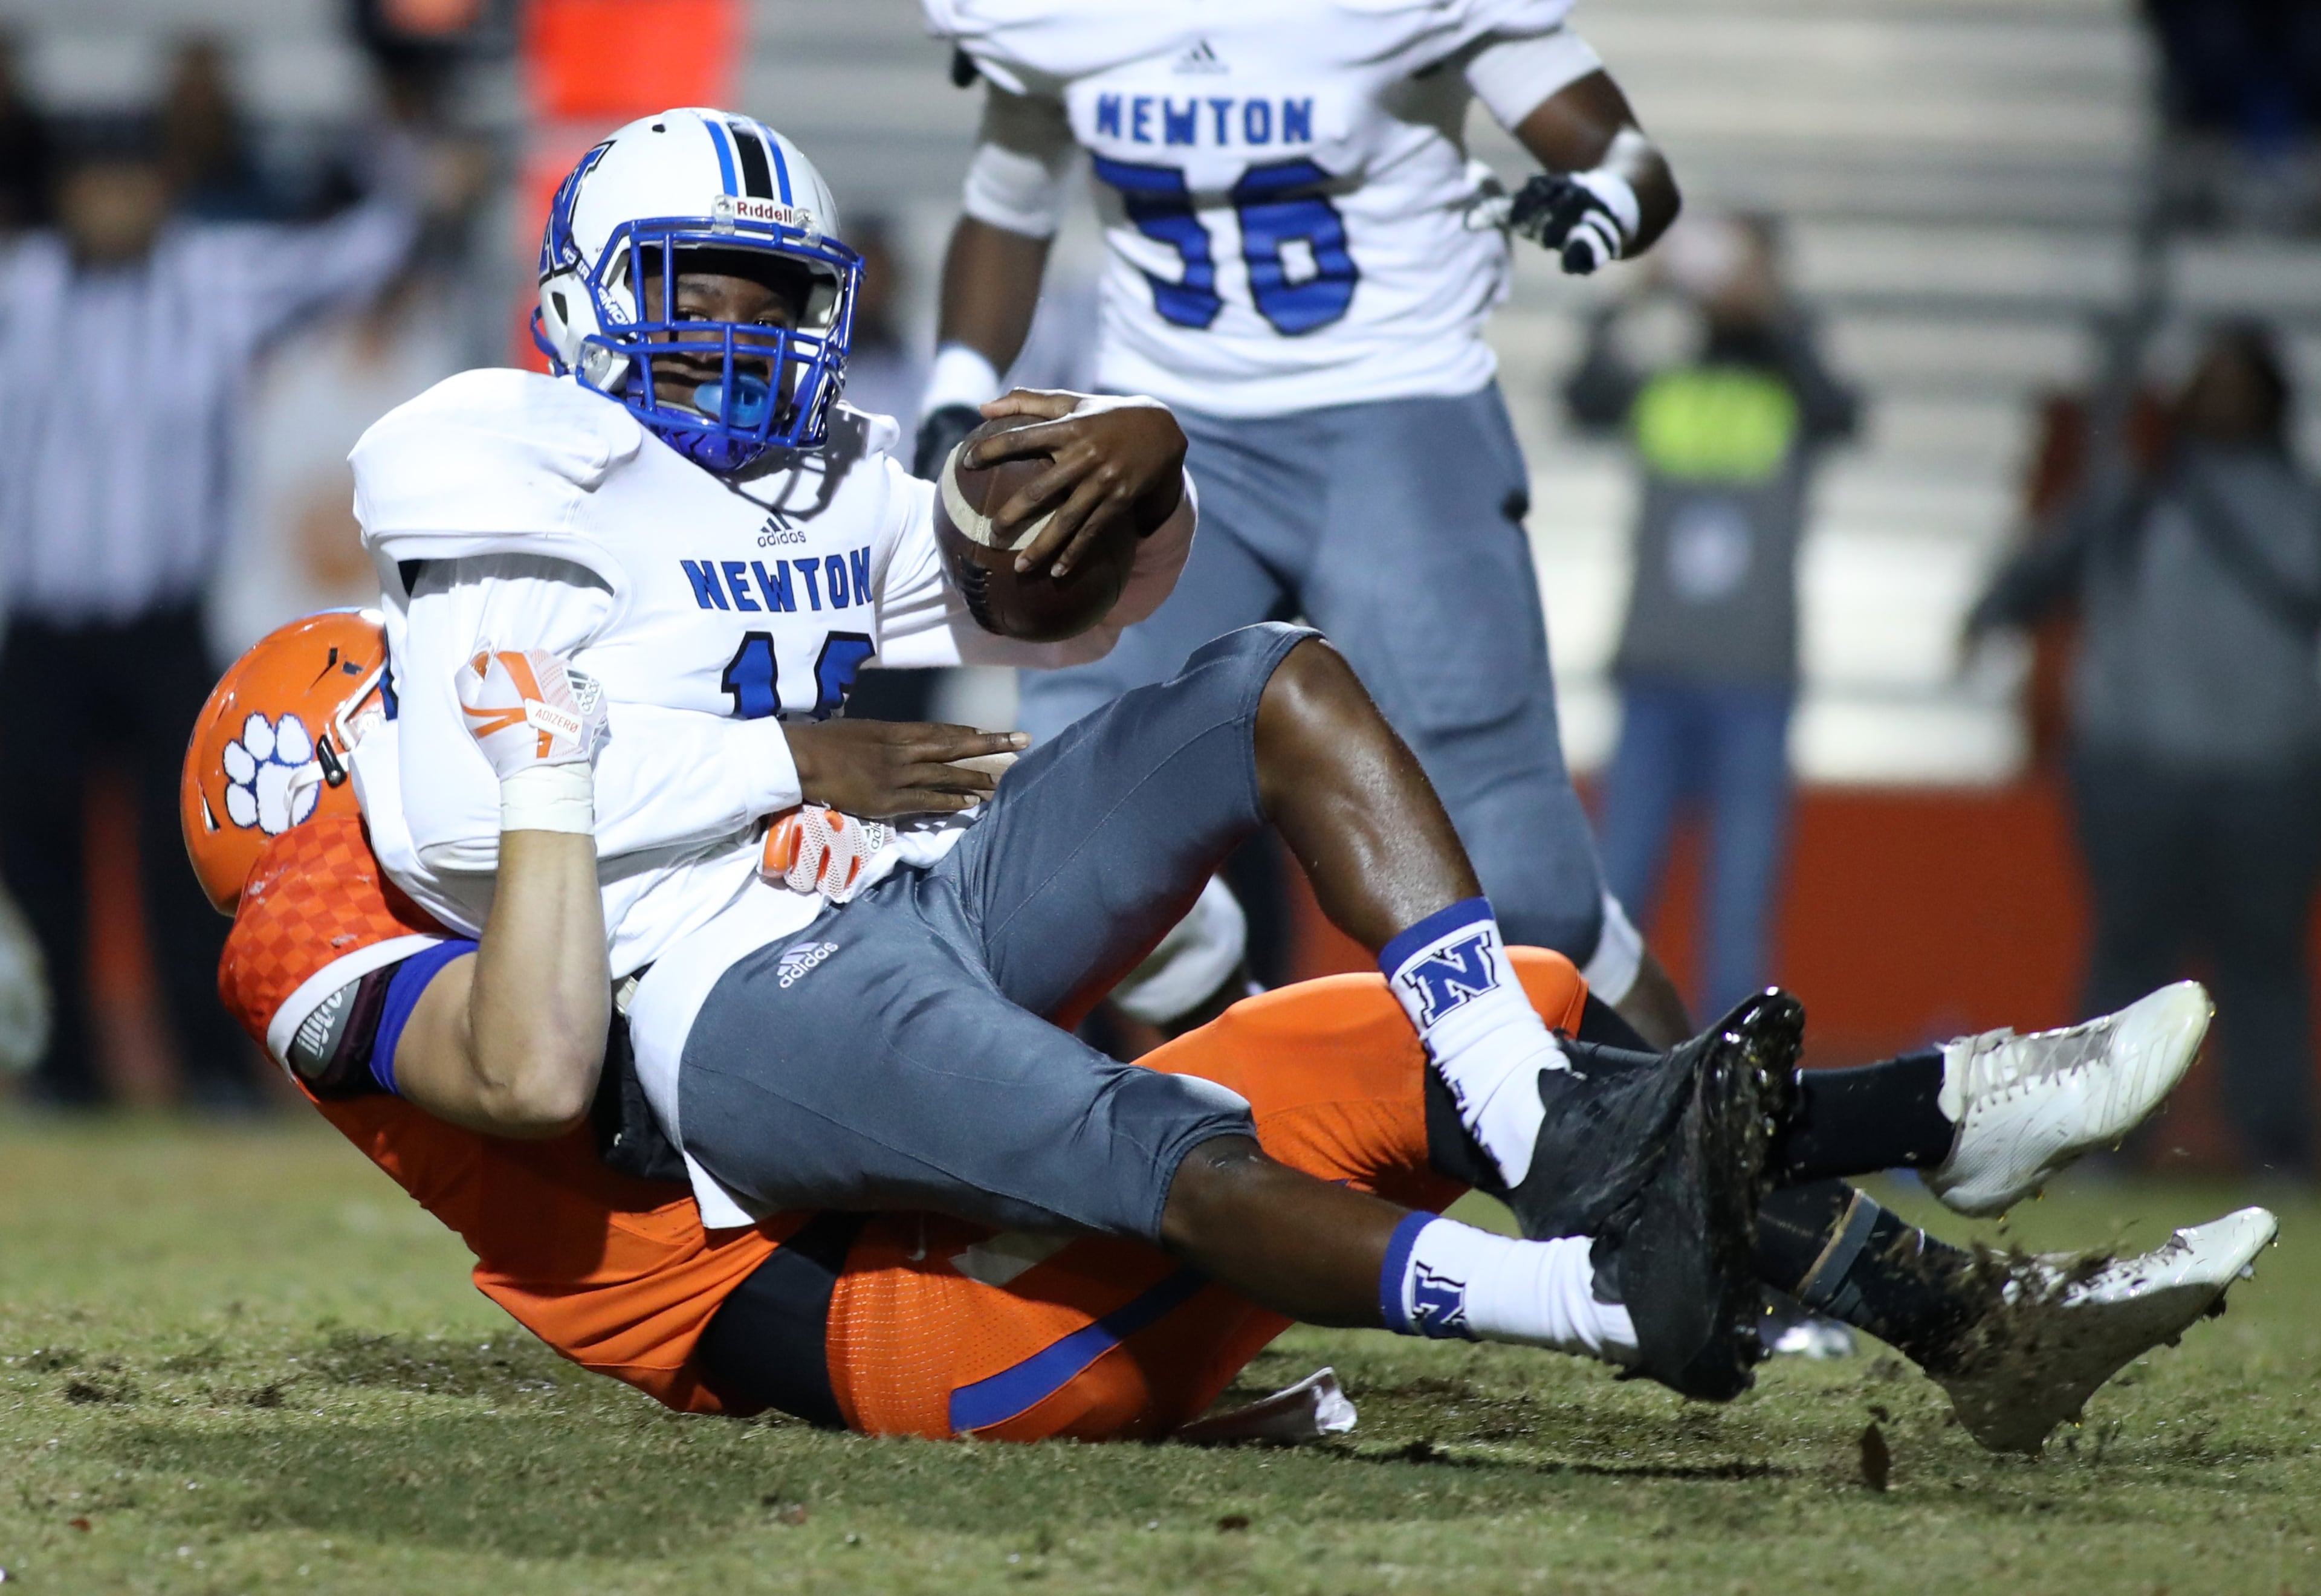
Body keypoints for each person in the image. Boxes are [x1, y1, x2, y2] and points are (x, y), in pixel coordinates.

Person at [335, 111, 2250, 1407]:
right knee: (1195, 1131)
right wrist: (794, 755)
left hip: (920, 908)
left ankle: (1804, 1198)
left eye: (775, 298)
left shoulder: (838, 467)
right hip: (745, 1012)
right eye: (702, 294)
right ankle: (1702, 1243)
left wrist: (1141, 453)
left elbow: (1081, 615)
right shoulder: (501, 463)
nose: (746, 341)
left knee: (1276, 684)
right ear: (587, 295)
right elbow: (453, 820)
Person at [188, 609, 2276, 1453]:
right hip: (900, 1324)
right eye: (403, 715)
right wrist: (563, 773)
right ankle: (1644, 1272)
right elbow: (566, 1074)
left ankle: (1963, 1210)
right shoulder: (352, 971)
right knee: (1223, 1119)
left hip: (924, 1183)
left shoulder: (549, 859)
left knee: (1505, 1021)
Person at [913, 0, 1695, 1045]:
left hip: (1393, 410)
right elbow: (1008, 199)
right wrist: (956, 390)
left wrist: (1605, 197)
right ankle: (1260, 1111)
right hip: (1162, 431)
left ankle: (1713, 1156)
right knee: (1073, 827)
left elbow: (1628, 158)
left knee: (1525, 889)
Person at [0, 110, 418, 1110]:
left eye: (132, 183)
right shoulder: (19, 292)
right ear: (64, 196)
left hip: (165, 621)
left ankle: (208, 1067)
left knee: (192, 851)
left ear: (162, 191)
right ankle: (66, 1073)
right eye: (95, 185)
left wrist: (397, 143)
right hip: (42, 626)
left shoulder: (214, 283)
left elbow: (359, 253)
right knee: (34, 846)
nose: (113, 205)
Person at [1969, 325, 2321, 1180]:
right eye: (2212, 381)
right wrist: (1985, 617)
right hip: (2137, 769)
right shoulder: (2131, 494)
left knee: (2261, 959)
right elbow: (2036, 572)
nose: (2225, 399)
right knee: (2130, 956)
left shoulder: (2301, 506)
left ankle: (2273, 1141)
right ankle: (2100, 1142)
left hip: (2269, 774)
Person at [1564, 213, 1859, 1018]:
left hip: (1753, 682)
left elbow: (1844, 411)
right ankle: (1594, 1059)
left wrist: (1772, 312)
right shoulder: (1667, 380)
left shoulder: (1790, 388)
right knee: (1620, 891)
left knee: (1739, 904)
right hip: (1655, 676)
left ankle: (1733, 1079)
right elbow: (1581, 398)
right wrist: (1637, 295)